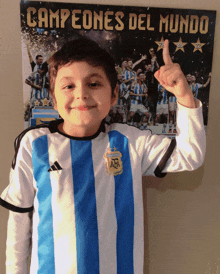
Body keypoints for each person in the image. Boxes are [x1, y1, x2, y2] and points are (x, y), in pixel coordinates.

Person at [0, 38, 206, 274]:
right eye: (69, 86)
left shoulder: (130, 143)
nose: (82, 94)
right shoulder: (33, 145)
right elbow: (18, 220)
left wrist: (184, 95)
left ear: (114, 94)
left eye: (94, 84)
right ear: (54, 99)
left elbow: (190, 156)